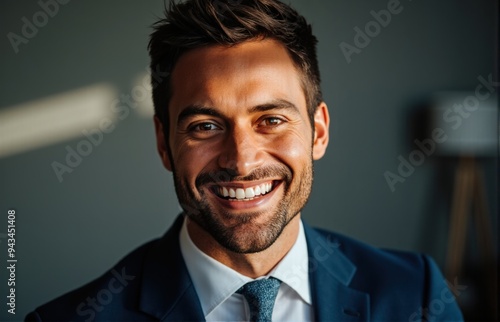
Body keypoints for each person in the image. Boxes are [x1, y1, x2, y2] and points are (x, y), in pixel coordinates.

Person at [26, 0, 464, 321]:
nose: (241, 160)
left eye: (270, 119)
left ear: (319, 131)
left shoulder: (415, 295)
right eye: (205, 126)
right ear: (164, 143)